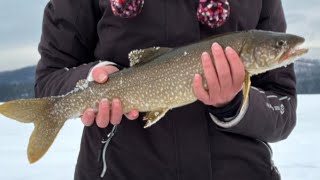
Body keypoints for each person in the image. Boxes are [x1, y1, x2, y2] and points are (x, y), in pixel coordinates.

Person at [35, 0, 296, 179]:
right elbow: (49, 79)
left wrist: (236, 104)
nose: (281, 49)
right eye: (277, 46)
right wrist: (93, 79)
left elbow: (283, 109)